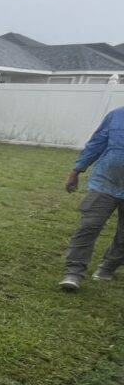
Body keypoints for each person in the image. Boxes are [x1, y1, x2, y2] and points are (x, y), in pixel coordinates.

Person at [60, 105, 124, 291]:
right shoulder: (116, 115)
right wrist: (76, 170)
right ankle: (74, 272)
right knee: (89, 226)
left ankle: (108, 267)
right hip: (105, 182)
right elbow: (97, 143)